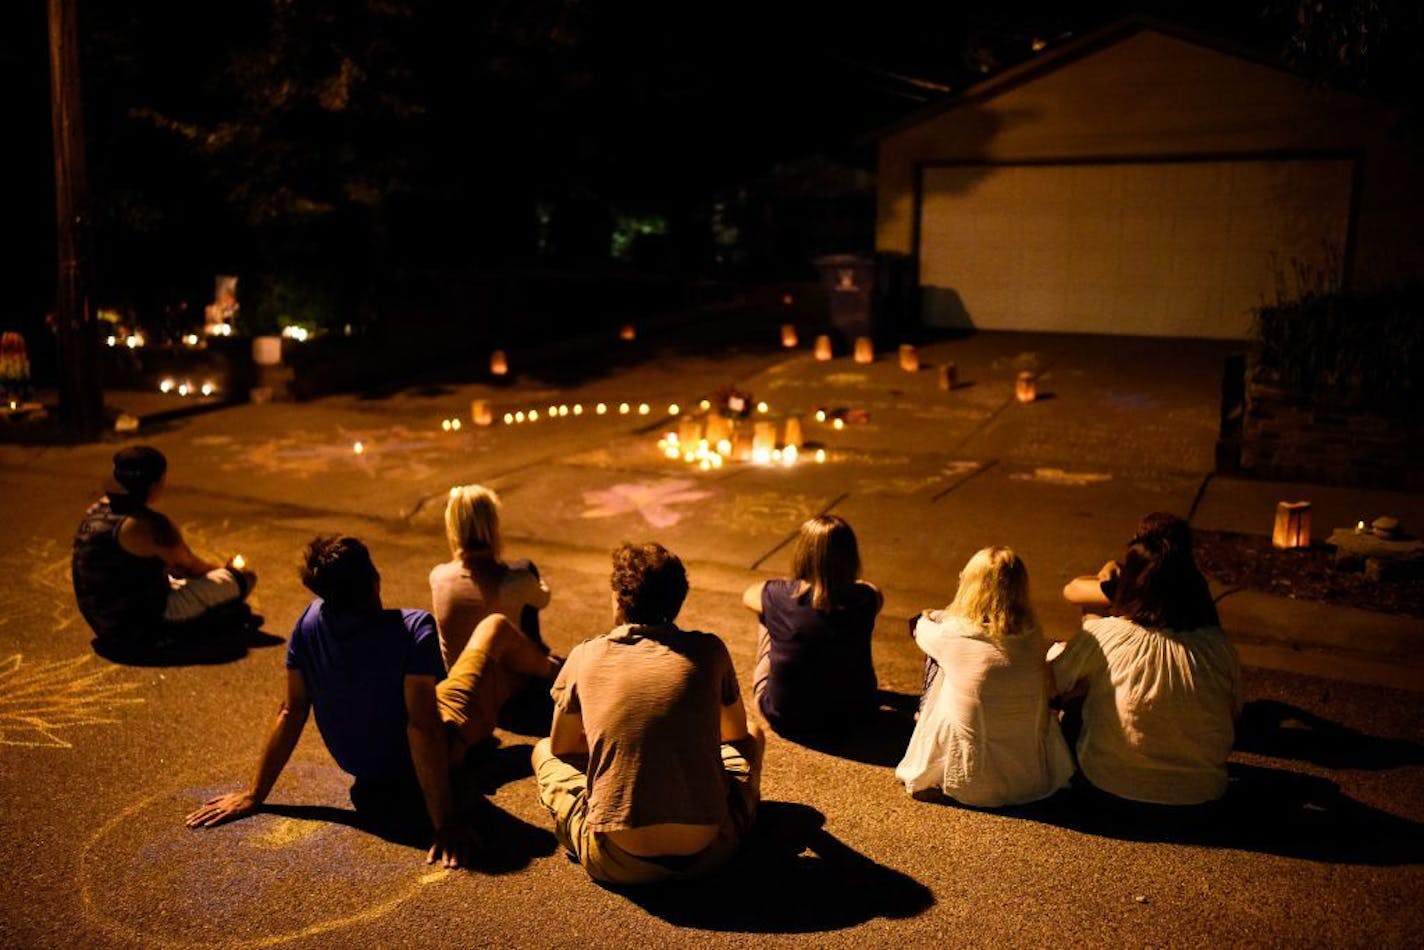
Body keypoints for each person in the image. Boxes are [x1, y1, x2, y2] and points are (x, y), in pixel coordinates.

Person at [186, 535, 561, 869]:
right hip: (422, 758)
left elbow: (291, 710)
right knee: (494, 629)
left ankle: (537, 680)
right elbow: (423, 727)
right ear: (374, 580)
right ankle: (554, 672)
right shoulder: (412, 628)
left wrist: (256, 795)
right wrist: (444, 822)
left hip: (365, 770)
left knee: (489, 720)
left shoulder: (308, 622)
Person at [532, 542, 764, 886]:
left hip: (615, 857)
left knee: (541, 751)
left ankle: (595, 823)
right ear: (678, 599)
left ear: (618, 598)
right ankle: (736, 816)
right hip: (709, 851)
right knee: (754, 733)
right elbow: (734, 734)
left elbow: (562, 746)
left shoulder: (585, 655)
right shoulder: (709, 650)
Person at [1051, 515, 1241, 806]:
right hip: (1201, 797)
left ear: (1131, 582)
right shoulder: (1216, 644)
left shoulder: (1107, 635)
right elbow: (1233, 710)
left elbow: (1052, 684)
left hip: (1107, 788)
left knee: (1074, 701)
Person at [895, 547, 1073, 806]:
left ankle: (927, 755)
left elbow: (918, 627)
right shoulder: (1033, 636)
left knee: (939, 665)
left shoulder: (953, 635)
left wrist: (931, 616)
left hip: (974, 784)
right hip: (1029, 779)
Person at [72, 445, 257, 645]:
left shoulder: (97, 509)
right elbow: (191, 568)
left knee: (173, 578)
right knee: (243, 578)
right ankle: (204, 624)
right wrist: (227, 570)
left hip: (101, 621)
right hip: (141, 625)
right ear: (155, 483)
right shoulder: (151, 524)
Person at [741, 515, 883, 739]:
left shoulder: (777, 594)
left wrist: (792, 586)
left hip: (785, 717)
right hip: (855, 716)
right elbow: (869, 586)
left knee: (767, 615)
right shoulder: (867, 598)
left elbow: (748, 595)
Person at [430, 484, 551, 670]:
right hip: (501, 689)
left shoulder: (438, 577)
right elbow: (543, 598)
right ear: (493, 524)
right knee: (525, 567)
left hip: (457, 680)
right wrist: (532, 580)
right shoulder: (515, 582)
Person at [1061, 512, 1217, 626]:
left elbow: (1072, 590)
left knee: (1092, 607)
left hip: (1155, 657)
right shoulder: (1194, 583)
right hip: (1204, 657)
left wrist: (1106, 575)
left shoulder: (1140, 588)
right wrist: (1113, 565)